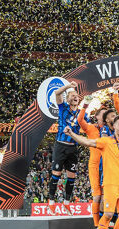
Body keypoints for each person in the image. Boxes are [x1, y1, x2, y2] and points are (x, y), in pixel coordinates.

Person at [48, 81, 80, 215]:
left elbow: (88, 126)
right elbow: (57, 93)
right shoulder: (63, 108)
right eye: (72, 95)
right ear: (68, 99)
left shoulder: (81, 113)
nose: (75, 97)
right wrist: (68, 87)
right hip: (61, 145)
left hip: (73, 147)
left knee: (72, 176)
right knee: (57, 174)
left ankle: (67, 203)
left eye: (76, 95)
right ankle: (51, 202)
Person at [77, 95, 106, 229]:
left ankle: (106, 223)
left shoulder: (113, 129)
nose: (107, 116)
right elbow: (79, 120)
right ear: (97, 117)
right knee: (97, 196)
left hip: (108, 166)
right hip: (95, 166)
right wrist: (85, 105)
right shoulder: (91, 128)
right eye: (104, 114)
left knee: (107, 196)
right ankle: (96, 225)